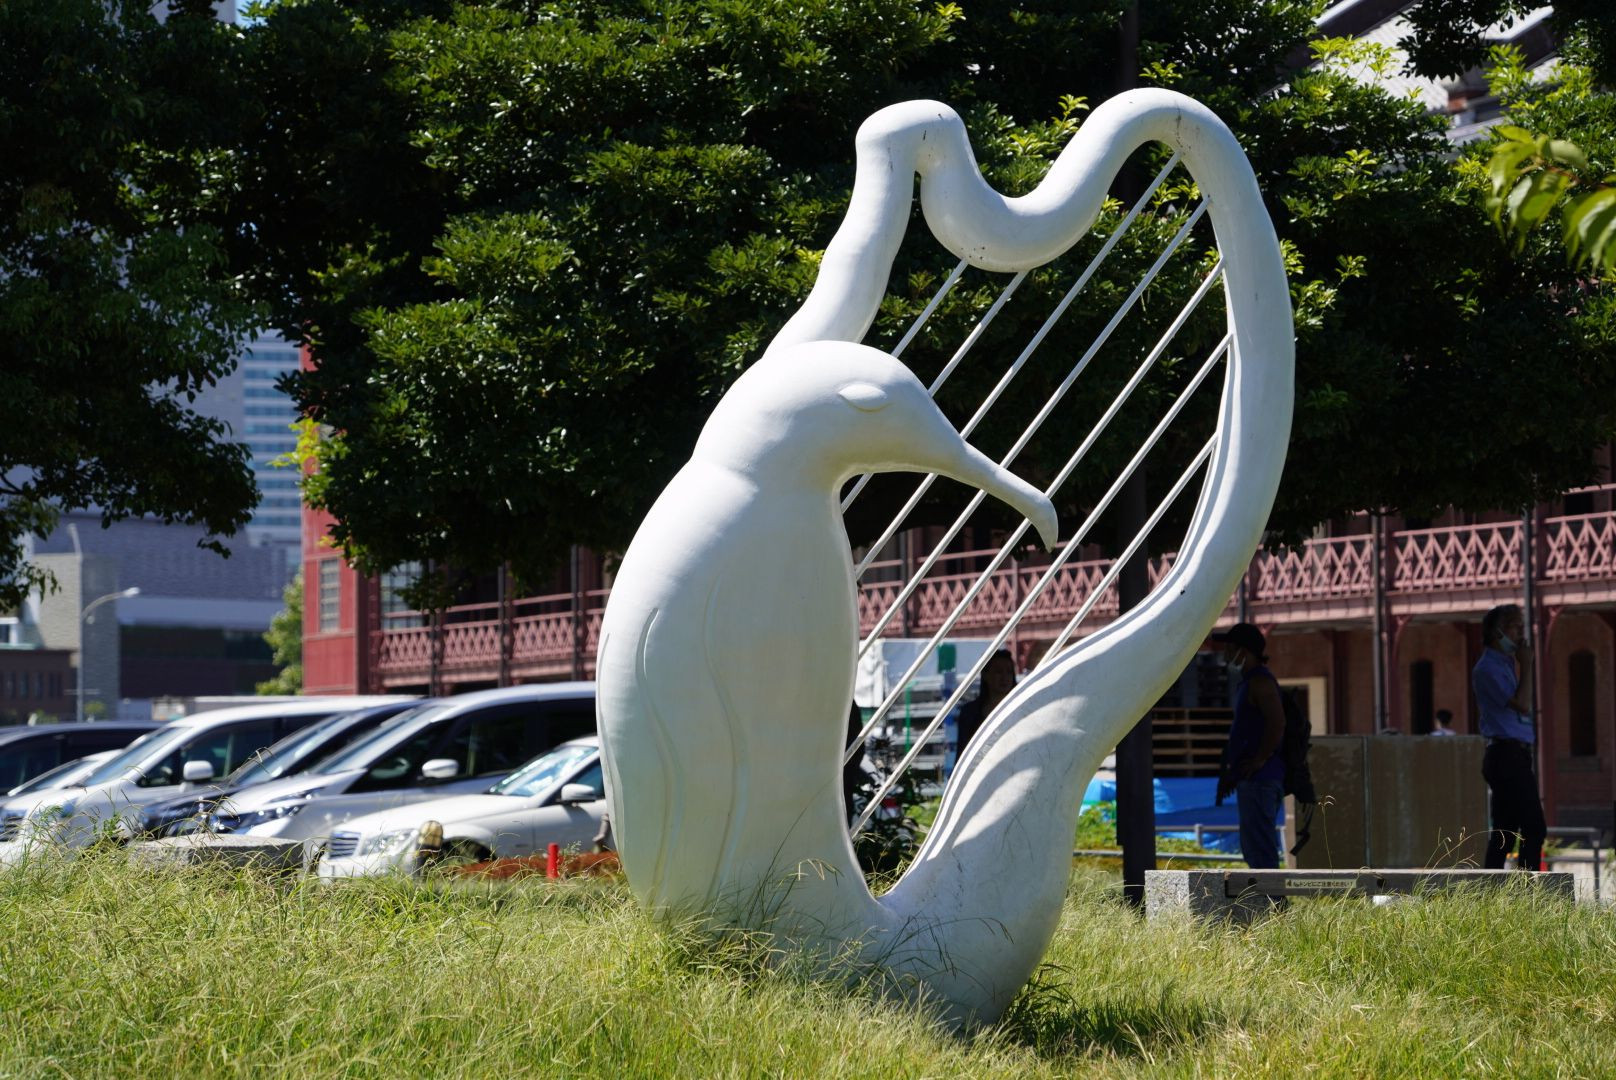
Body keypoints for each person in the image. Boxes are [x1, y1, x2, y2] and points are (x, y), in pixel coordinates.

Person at [1472, 603, 1545, 871]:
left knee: (1505, 831)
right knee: (1533, 827)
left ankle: (1489, 887)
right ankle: (1528, 890)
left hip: (1514, 754)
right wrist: (1527, 665)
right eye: (1515, 627)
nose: (1520, 634)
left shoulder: (1505, 665)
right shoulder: (1487, 669)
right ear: (1497, 632)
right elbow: (1522, 704)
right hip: (1505, 754)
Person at [1212, 622, 1286, 870]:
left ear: (1243, 652)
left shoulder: (1260, 683)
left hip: (1260, 780)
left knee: (1261, 849)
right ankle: (1264, 892)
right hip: (1252, 779)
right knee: (1254, 847)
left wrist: (1259, 760)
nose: (1225, 655)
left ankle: (1270, 895)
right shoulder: (1248, 683)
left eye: (1229, 649)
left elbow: (1277, 722)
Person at [954, 649, 1016, 758]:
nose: (1004, 677)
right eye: (998, 671)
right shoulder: (969, 713)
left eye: (1009, 672)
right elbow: (962, 754)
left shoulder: (1021, 709)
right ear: (985, 675)